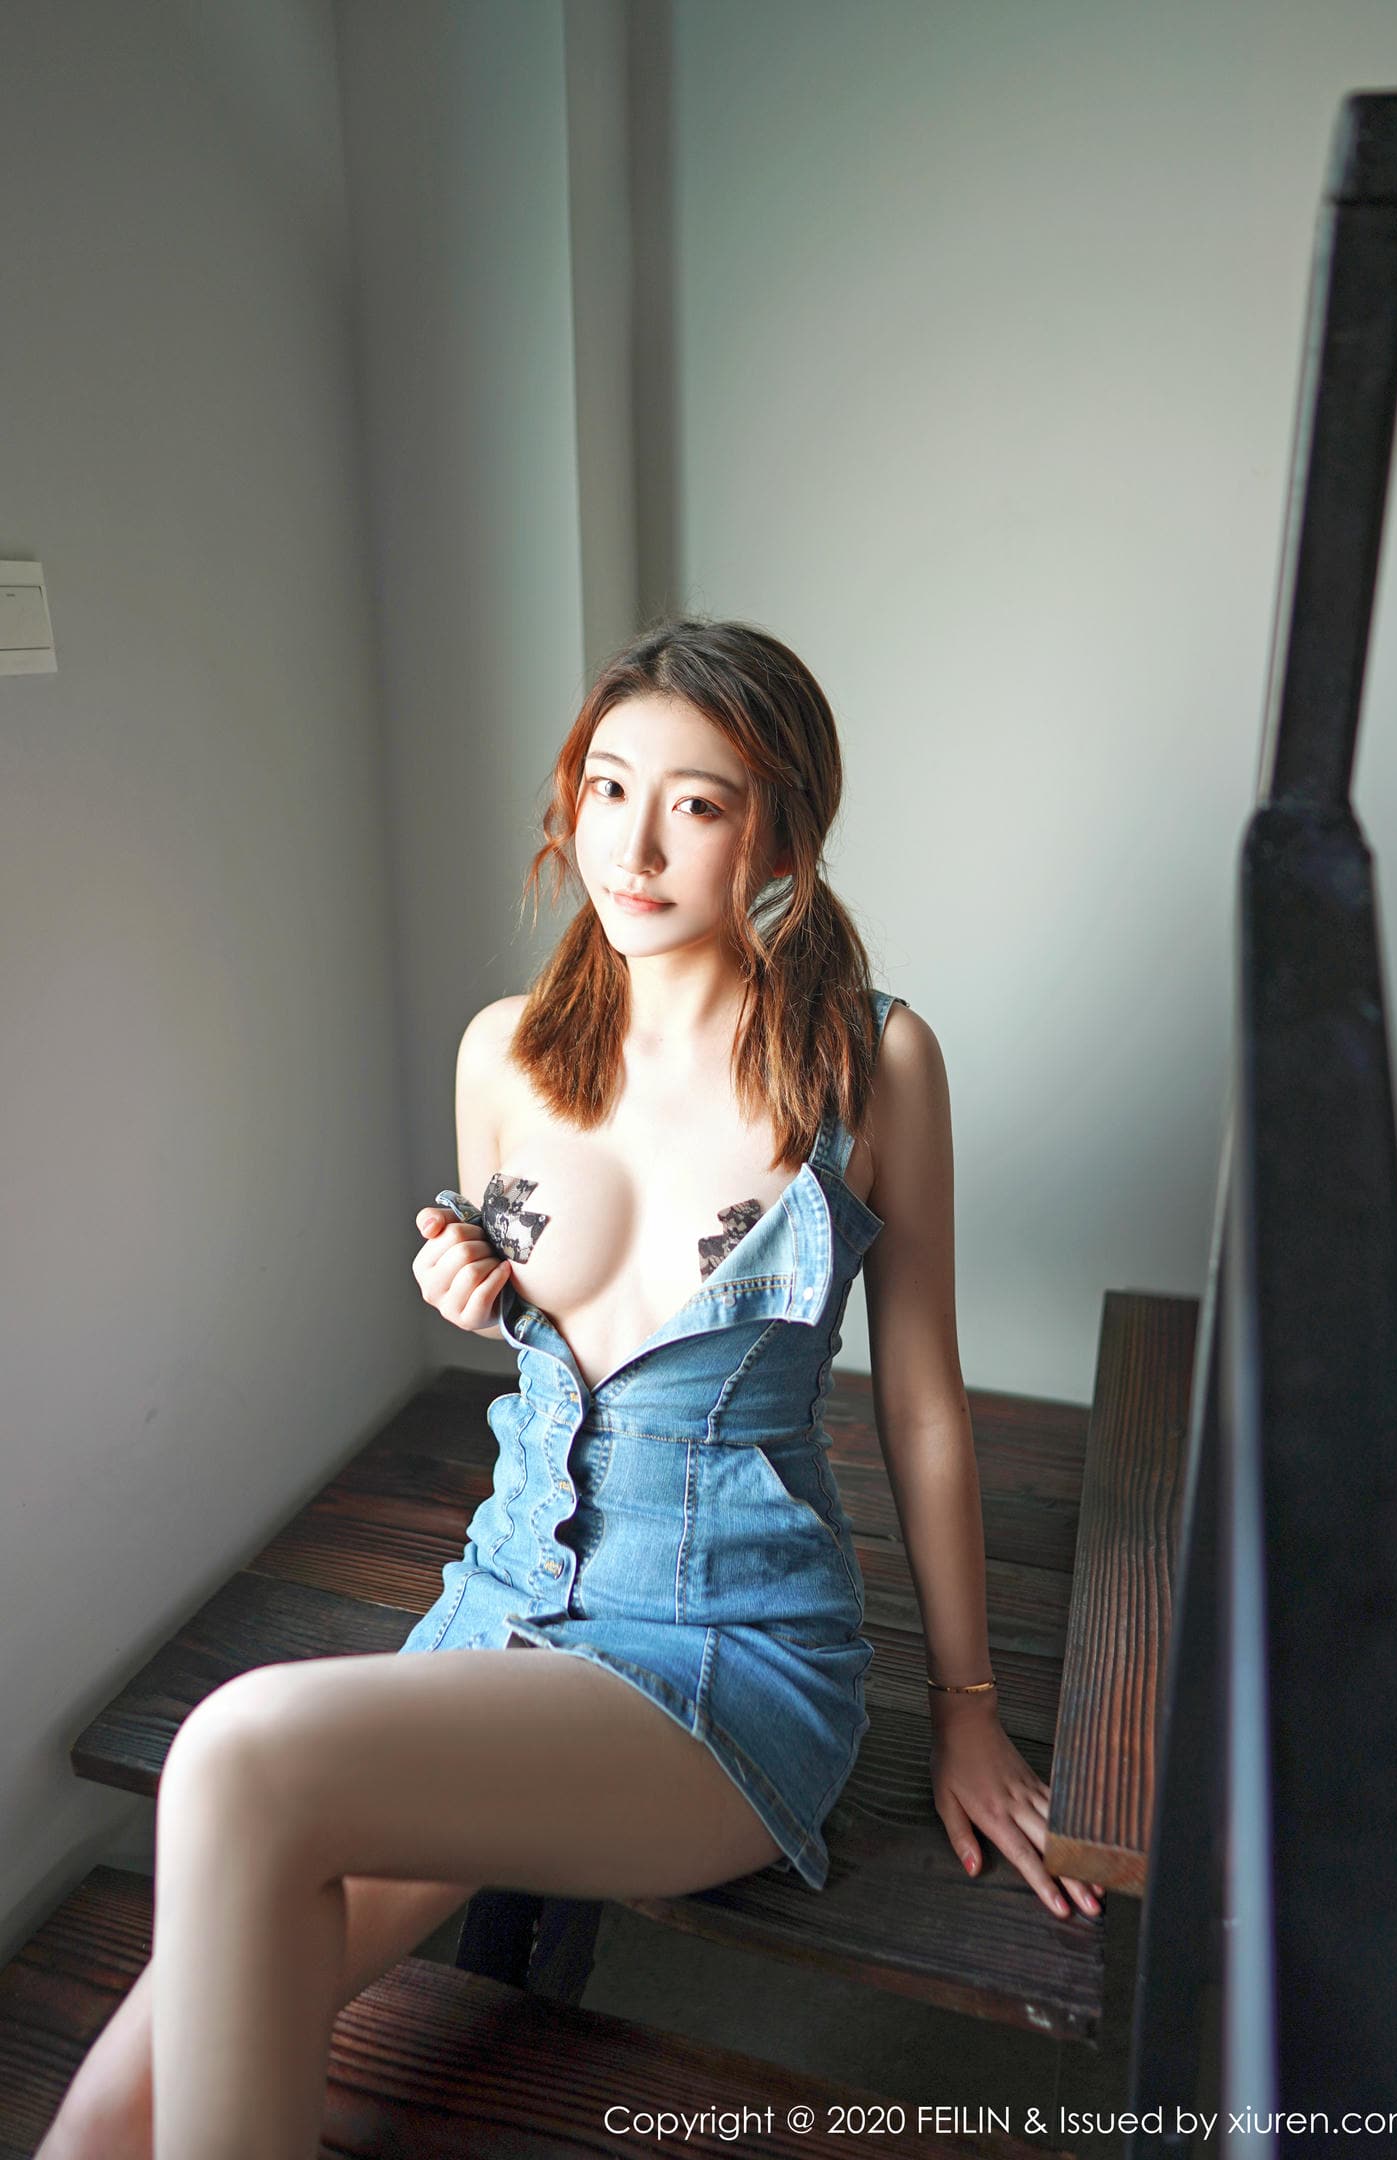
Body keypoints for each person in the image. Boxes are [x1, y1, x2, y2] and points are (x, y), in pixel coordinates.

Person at [38, 617, 1103, 2159]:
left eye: (696, 803)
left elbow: (923, 1406)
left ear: (780, 835)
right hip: (501, 1609)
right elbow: (550, 1334)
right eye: (608, 788)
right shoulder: (507, 1054)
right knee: (105, 2121)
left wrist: (967, 1712)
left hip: (722, 1659)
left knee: (236, 1753)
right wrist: (469, 1288)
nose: (634, 845)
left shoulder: (869, 1066)